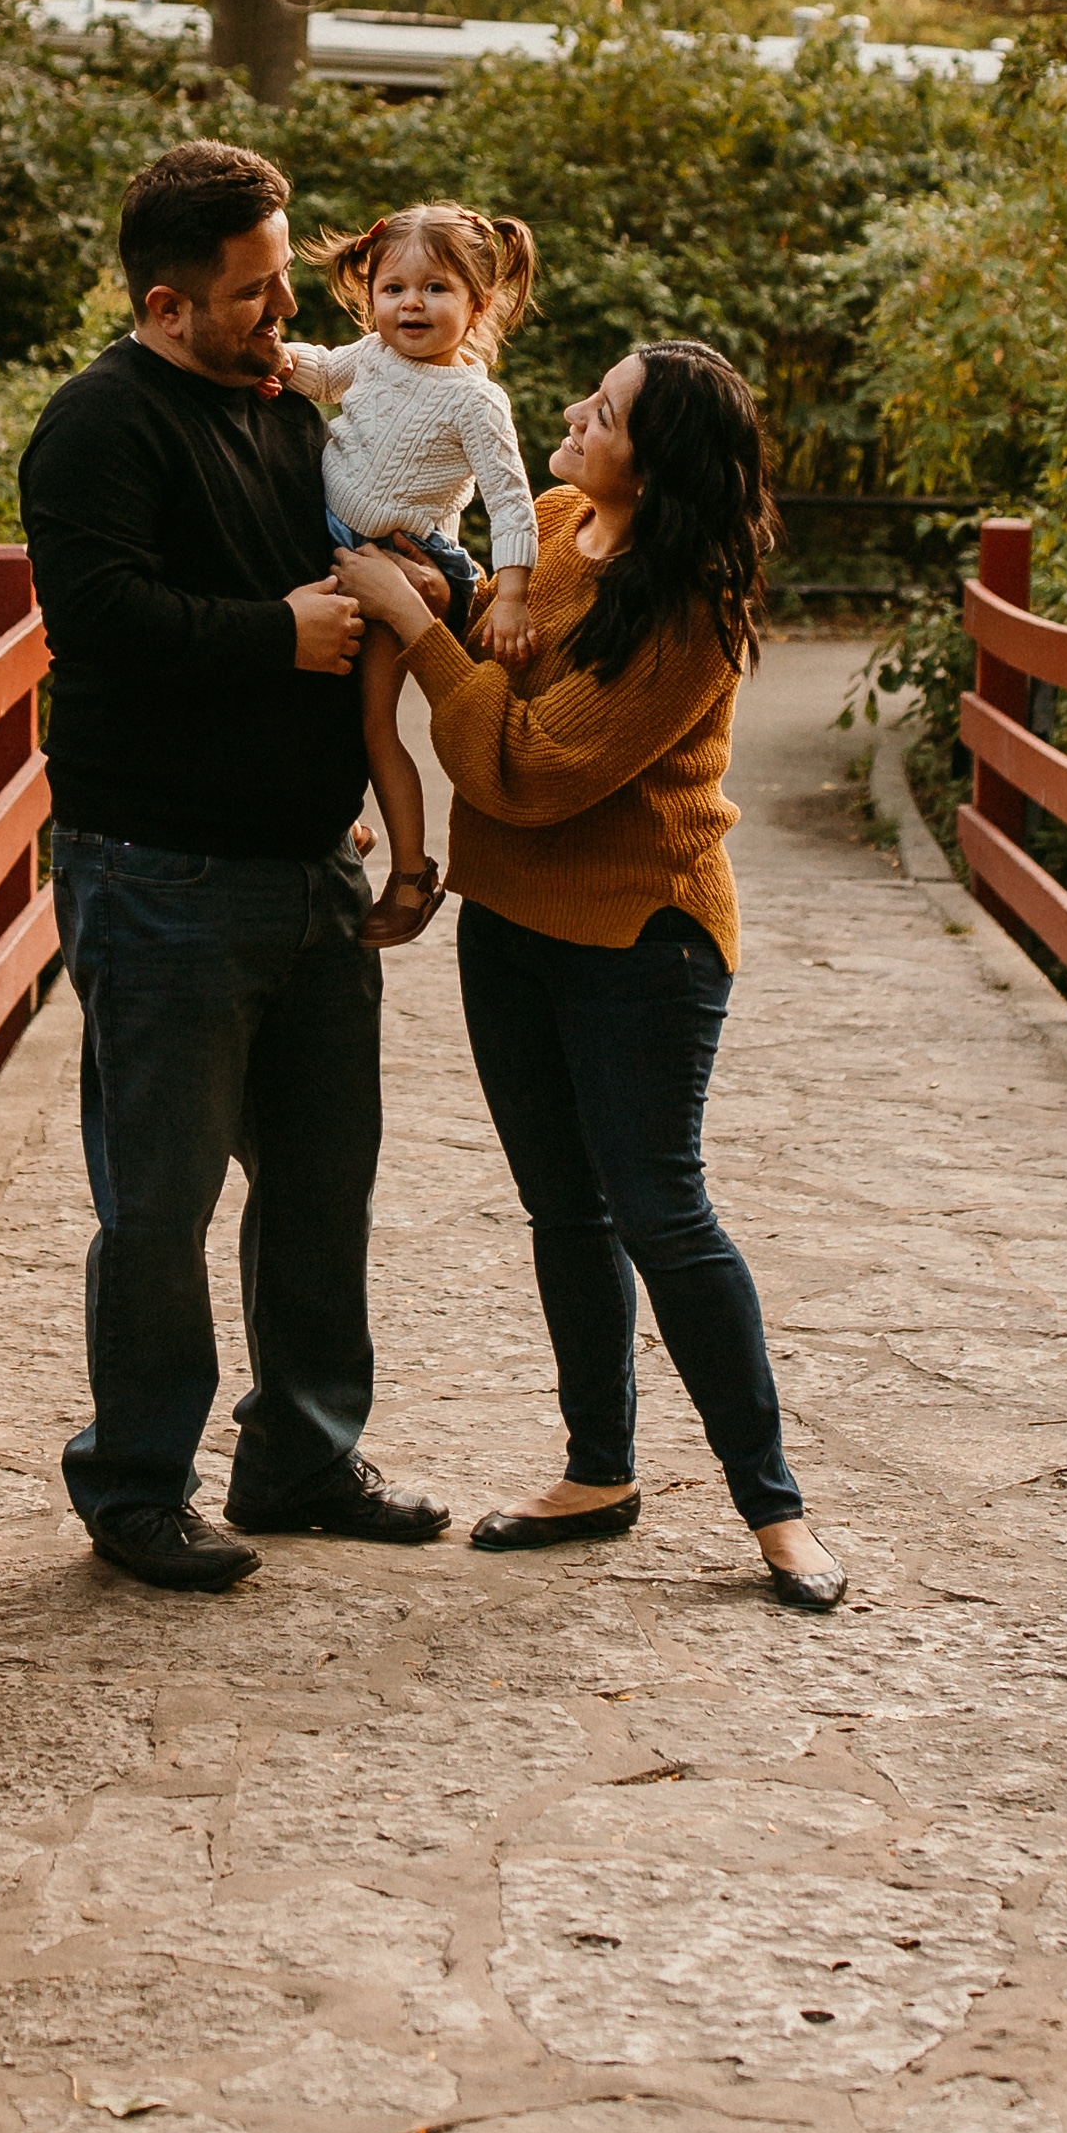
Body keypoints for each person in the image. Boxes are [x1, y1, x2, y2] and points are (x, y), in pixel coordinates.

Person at [330, 340, 846, 1614]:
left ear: (654, 462)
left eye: (604, 411)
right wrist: (422, 583)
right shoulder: (554, 521)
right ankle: (596, 1473)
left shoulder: (688, 615)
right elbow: (464, 599)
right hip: (508, 921)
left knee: (662, 1215)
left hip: (641, 940)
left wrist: (411, 621)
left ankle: (773, 1509)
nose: (572, 413)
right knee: (564, 1209)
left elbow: (533, 769)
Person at [16, 138, 452, 1592]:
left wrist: (429, 578)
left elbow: (373, 534)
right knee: (160, 1200)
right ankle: (137, 1484)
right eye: (258, 294)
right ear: (164, 302)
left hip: (311, 864)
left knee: (325, 1180)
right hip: (158, 875)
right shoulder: (97, 426)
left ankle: (303, 1455)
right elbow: (102, 619)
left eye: (283, 284)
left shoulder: (281, 408)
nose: (286, 315)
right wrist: (278, 633)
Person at [281, 201, 543, 951]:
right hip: (334, 549)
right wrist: (273, 357)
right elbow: (321, 371)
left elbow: (510, 499)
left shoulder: (473, 399)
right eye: (393, 287)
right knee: (296, 686)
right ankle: (343, 825)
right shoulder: (369, 355)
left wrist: (514, 593)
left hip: (405, 564)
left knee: (372, 722)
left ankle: (409, 872)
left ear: (476, 304)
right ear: (370, 297)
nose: (410, 304)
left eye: (435, 288)